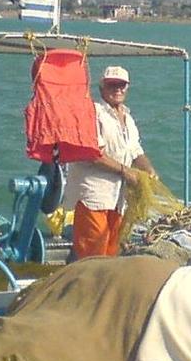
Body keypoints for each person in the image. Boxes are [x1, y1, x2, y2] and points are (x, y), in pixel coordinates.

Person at [63, 66, 158, 259]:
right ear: (101, 88)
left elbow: (135, 151)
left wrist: (148, 169)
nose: (117, 89)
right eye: (112, 85)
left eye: (121, 85)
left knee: (110, 255)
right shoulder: (93, 113)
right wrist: (125, 171)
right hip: (94, 198)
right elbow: (92, 153)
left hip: (118, 200)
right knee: (92, 258)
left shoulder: (128, 119)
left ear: (127, 88)